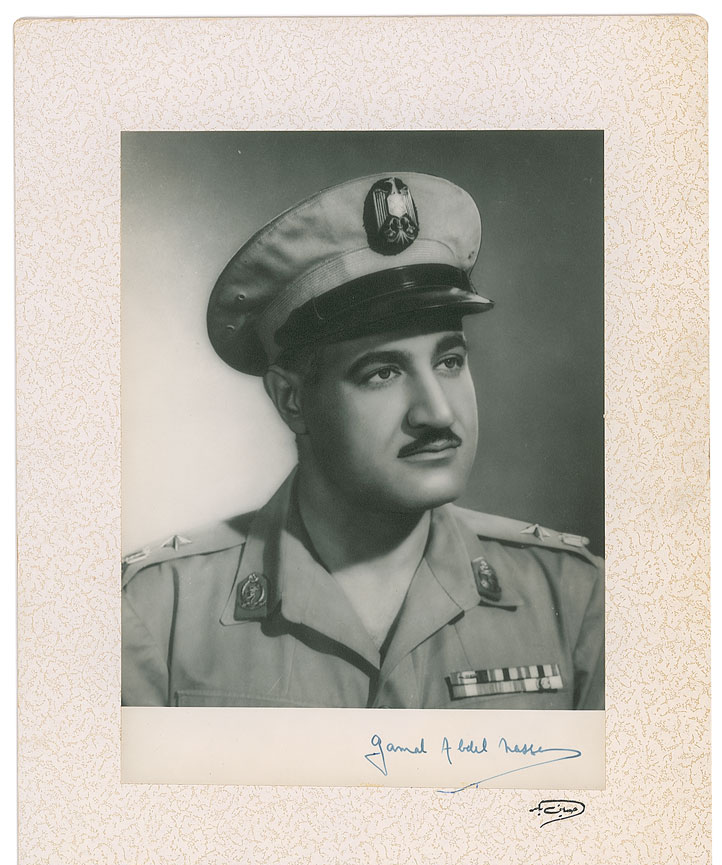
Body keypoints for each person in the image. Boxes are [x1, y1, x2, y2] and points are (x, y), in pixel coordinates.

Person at [121, 172, 604, 710]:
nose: (437, 412)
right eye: (382, 373)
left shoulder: (573, 596)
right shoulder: (154, 613)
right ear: (292, 401)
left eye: (449, 361)